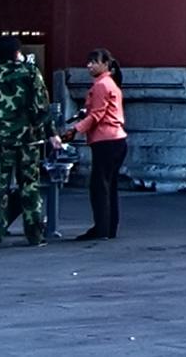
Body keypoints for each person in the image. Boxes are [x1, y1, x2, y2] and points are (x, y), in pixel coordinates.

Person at [67, 50, 129, 240]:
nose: (89, 66)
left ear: (105, 64)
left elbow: (97, 115)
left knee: (99, 187)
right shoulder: (110, 84)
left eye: (94, 62)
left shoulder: (102, 85)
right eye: (89, 62)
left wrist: (74, 130)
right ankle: (108, 228)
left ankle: (101, 228)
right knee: (109, 186)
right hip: (116, 140)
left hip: (106, 140)